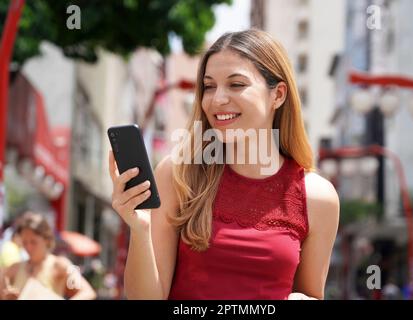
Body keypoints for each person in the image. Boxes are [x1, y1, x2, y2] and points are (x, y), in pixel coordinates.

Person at [109, 29, 340, 300]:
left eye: (236, 84)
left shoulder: (318, 198)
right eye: (209, 86)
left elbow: (310, 295)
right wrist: (140, 229)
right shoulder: (178, 175)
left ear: (277, 95)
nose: (217, 99)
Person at [0, 211, 97, 300]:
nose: (28, 247)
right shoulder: (14, 268)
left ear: (46, 239)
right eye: (25, 242)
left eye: (33, 242)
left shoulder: (61, 264)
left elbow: (88, 292)